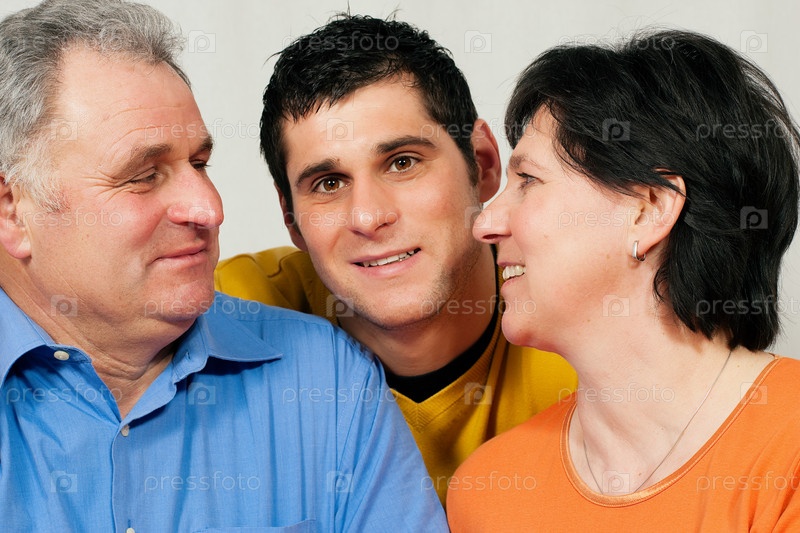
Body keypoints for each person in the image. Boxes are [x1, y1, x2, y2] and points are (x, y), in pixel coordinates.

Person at [0, 1, 448, 530]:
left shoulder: (327, 380)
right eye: (144, 175)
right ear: (12, 211)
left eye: (199, 163)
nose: (209, 209)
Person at [214, 14, 577, 503]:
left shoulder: (585, 325)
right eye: (328, 183)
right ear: (291, 218)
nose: (368, 217)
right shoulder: (229, 315)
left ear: (484, 164)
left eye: (403, 163)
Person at [447, 29, 800, 530]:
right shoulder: (489, 489)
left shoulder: (789, 451)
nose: (485, 223)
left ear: (648, 209)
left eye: (527, 180)